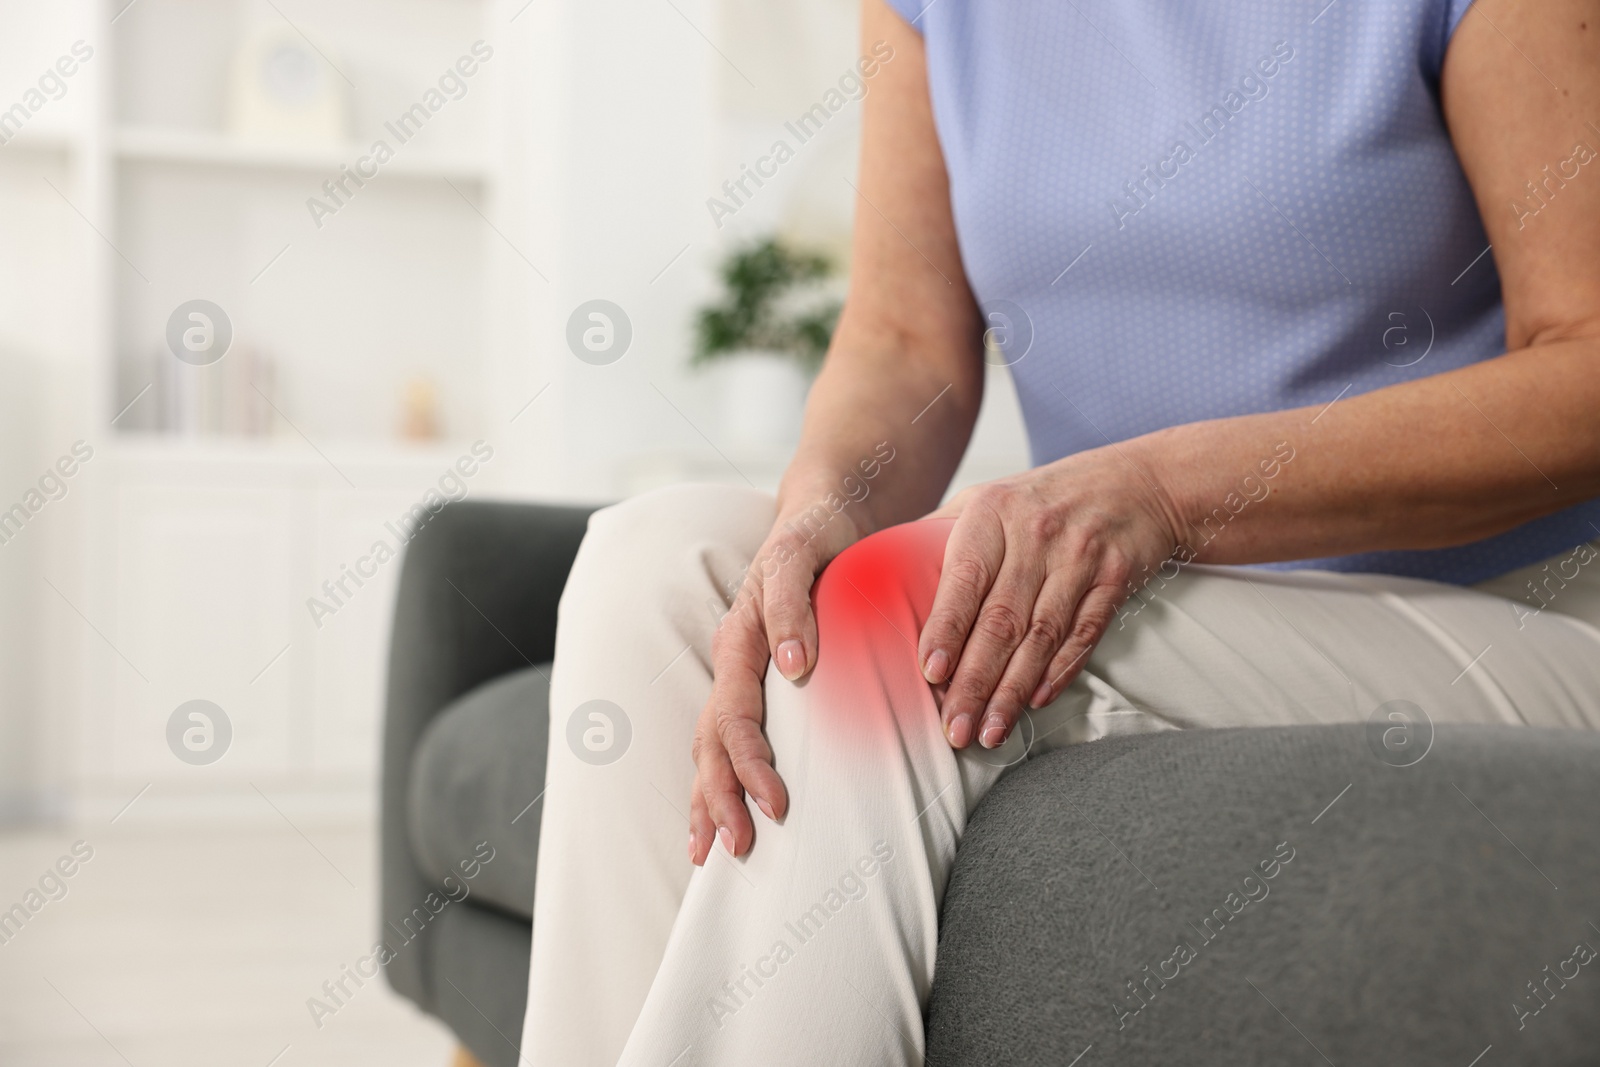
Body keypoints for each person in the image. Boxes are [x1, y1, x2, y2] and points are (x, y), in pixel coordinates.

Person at [519, 0, 1600, 1062]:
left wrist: (1165, 491)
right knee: (652, 572)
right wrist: (822, 510)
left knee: (892, 613)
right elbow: (902, 337)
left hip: (1513, 607)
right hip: (1167, 596)